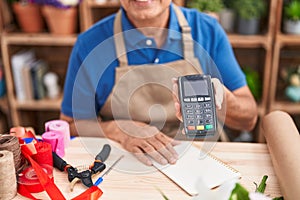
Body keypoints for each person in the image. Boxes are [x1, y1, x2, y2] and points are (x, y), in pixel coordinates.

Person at [60, 0, 257, 166]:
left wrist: (221, 99)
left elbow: (249, 120)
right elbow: (69, 125)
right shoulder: (90, 44)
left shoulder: (207, 31)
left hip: (201, 161)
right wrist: (120, 130)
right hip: (127, 163)